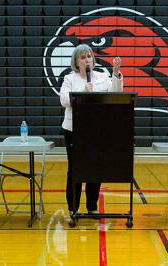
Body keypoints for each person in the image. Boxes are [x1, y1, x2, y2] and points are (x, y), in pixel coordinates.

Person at [60, 44, 123, 215]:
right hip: (74, 130)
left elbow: (116, 92)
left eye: (89, 56)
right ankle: (73, 207)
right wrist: (82, 91)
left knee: (95, 167)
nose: (87, 60)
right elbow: (64, 100)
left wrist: (116, 72)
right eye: (83, 57)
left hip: (96, 129)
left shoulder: (102, 76)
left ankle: (92, 206)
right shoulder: (69, 79)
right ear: (76, 62)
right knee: (75, 168)